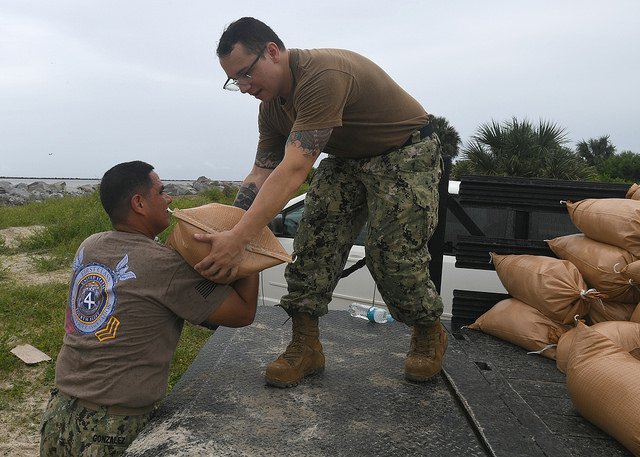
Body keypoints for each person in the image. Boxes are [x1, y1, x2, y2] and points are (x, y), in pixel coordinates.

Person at [195, 17, 446, 388]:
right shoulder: (270, 108)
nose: (244, 87)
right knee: (313, 243)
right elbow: (262, 171)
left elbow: (295, 168)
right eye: (235, 81)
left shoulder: (322, 75)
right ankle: (306, 346)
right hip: (348, 159)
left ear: (273, 52)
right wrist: (228, 224)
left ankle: (428, 333)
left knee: (389, 253)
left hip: (405, 151)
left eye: (246, 74)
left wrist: (240, 240)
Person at [39, 161, 258, 456]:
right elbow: (243, 313)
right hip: (111, 426)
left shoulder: (89, 245)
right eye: (162, 191)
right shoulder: (164, 265)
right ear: (139, 203)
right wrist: (244, 246)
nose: (169, 200)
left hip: (59, 411)